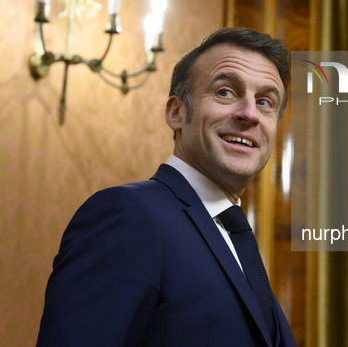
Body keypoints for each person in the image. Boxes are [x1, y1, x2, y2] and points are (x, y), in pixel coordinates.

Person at [37, 27, 297, 347]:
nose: (249, 114)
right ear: (177, 112)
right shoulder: (129, 215)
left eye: (264, 102)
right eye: (226, 92)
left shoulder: (236, 237)